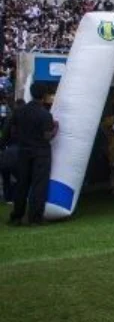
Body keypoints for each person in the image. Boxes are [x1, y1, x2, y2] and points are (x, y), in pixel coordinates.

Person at [4, 83, 57, 225]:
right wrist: (55, 129)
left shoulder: (19, 111)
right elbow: (47, 136)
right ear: (44, 96)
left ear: (31, 93)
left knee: (22, 184)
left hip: (23, 151)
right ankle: (35, 218)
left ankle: (17, 216)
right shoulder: (45, 115)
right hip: (41, 153)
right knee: (39, 186)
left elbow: (11, 130)